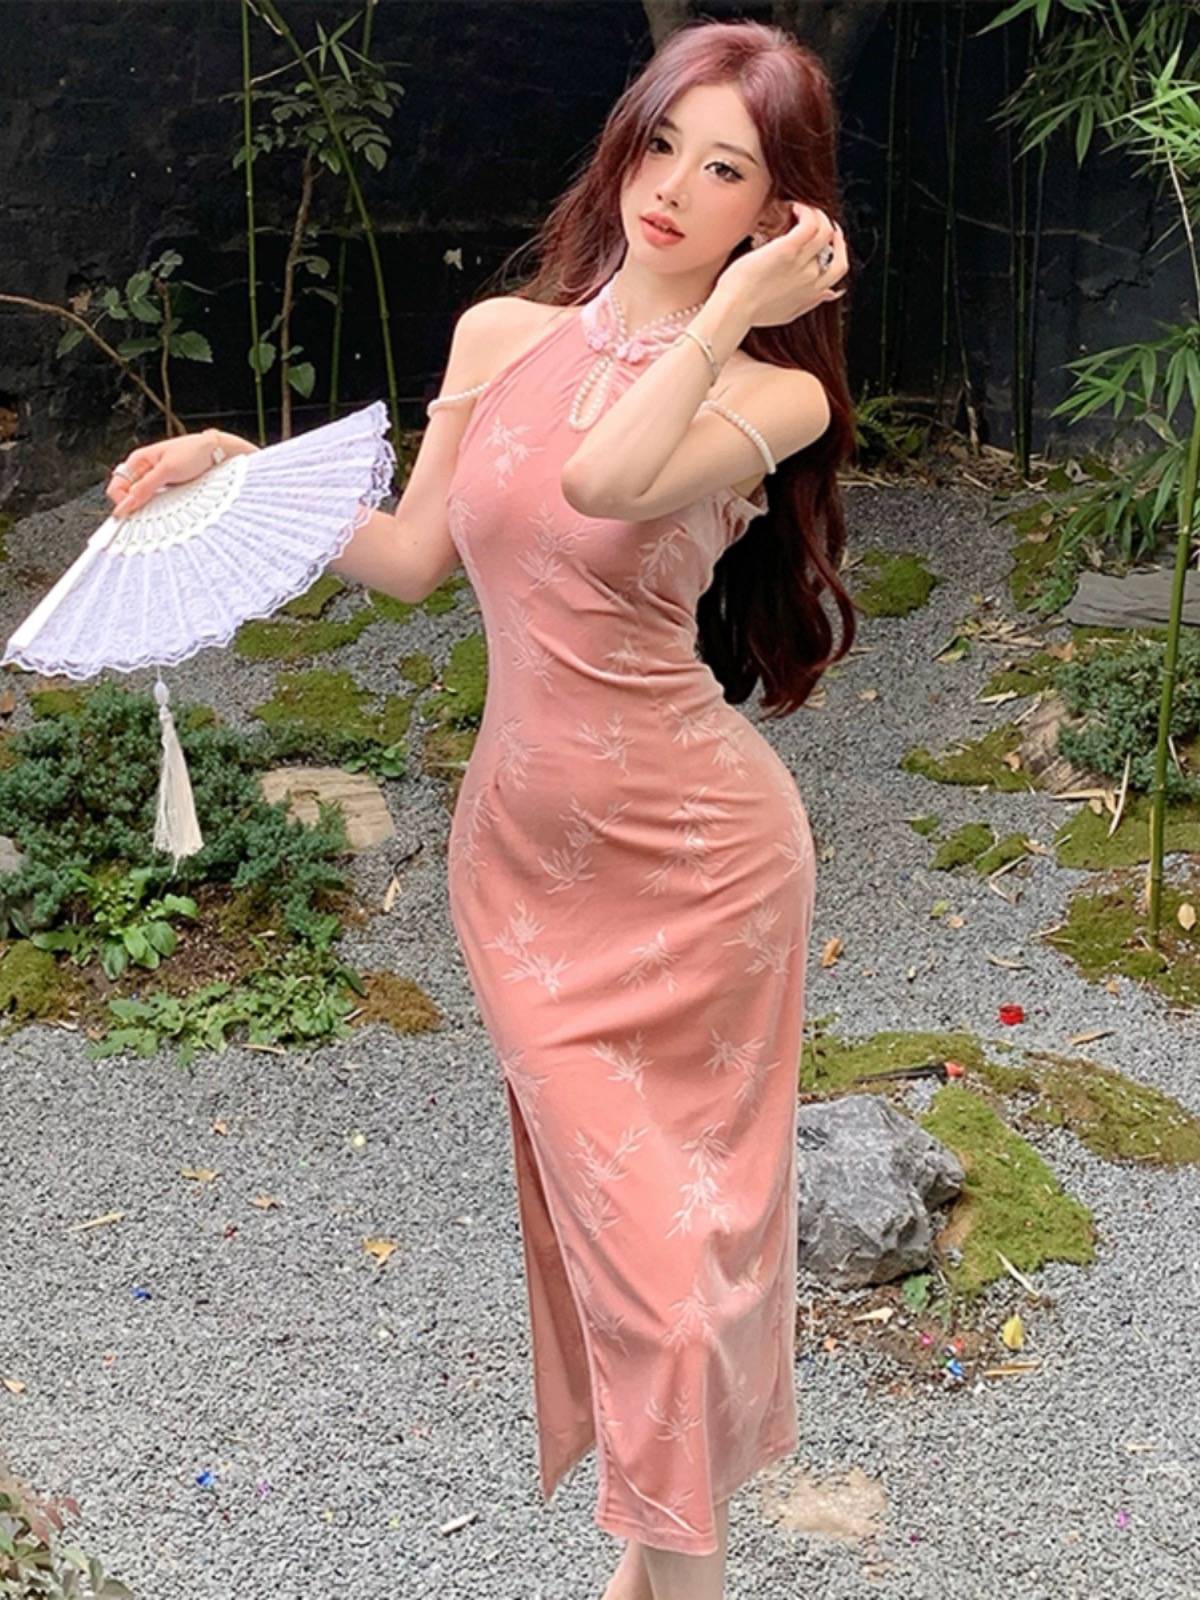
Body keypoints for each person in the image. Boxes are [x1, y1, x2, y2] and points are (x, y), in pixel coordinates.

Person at [105, 18, 856, 1598]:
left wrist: (725, 313)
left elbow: (608, 481)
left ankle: (661, 1574)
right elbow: (408, 560)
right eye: (660, 142)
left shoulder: (771, 393)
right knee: (629, 1254)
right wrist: (235, 468)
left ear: (779, 214)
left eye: (726, 171)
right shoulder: (502, 335)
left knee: (682, 1273)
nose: (672, 188)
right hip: (525, 870)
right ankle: (665, 1570)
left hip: (705, 862)